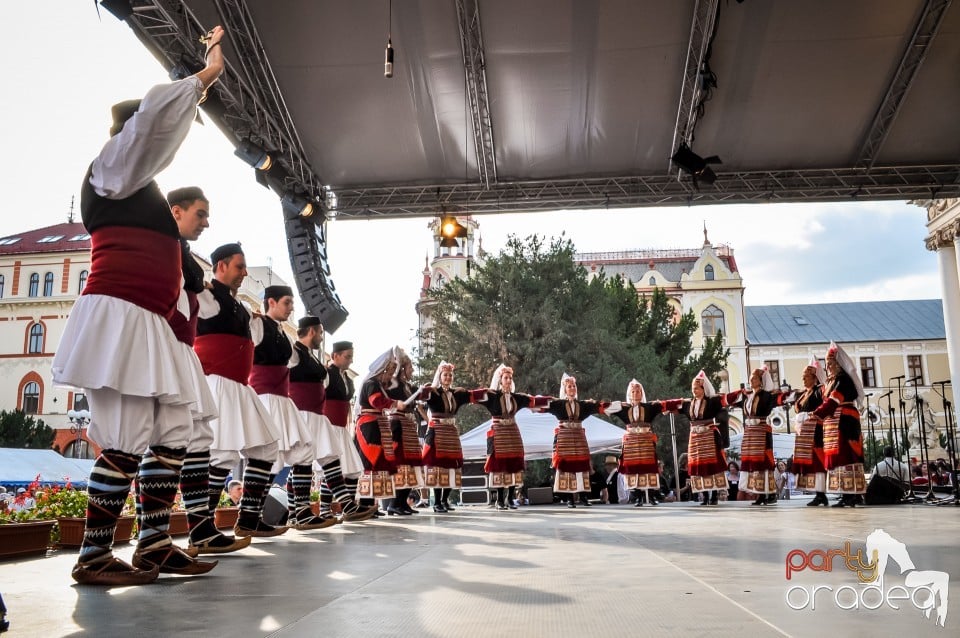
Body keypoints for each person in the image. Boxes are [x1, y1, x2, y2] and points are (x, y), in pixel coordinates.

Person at [52, 27, 226, 585]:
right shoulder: (111, 166)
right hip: (120, 315)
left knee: (173, 431)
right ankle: (94, 555)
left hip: (147, 323)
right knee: (125, 435)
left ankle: (152, 544)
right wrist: (204, 76)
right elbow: (152, 121)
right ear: (129, 134)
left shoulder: (135, 181)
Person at [167, 187, 249, 555]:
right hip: (203, 373)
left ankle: (200, 530)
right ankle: (161, 538)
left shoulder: (183, 256)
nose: (206, 222)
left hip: (201, 372)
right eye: (200, 214)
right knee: (169, 445)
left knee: (201, 447)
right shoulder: (207, 292)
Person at [195, 243, 286, 538]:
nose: (245, 272)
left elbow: (258, 342)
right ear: (221, 266)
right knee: (220, 453)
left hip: (239, 386)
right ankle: (203, 527)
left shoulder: (243, 309)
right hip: (217, 383)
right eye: (239, 266)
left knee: (266, 447)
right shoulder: (206, 297)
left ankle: (248, 517)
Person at [287, 316, 340, 527]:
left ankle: (297, 512)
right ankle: (300, 511)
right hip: (302, 413)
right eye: (319, 333)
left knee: (302, 462)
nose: (320, 337)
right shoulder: (295, 351)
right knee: (301, 461)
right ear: (311, 331)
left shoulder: (311, 355)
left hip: (314, 414)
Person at [475, 364, 548, 510]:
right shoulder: (493, 397)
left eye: (510, 378)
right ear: (500, 380)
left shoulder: (516, 397)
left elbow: (532, 401)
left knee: (514, 464)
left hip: (513, 432)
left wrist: (549, 401)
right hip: (498, 431)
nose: (508, 380)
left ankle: (509, 498)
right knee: (500, 465)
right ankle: (500, 500)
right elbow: (475, 396)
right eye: (505, 378)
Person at [318, 341, 376, 521]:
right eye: (347, 356)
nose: (351, 360)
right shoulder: (327, 374)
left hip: (342, 428)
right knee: (330, 469)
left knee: (352, 469)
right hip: (329, 426)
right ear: (335, 356)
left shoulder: (348, 379)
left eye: (351, 356)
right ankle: (324, 509)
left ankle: (349, 507)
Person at [542, 374, 618, 508]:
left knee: (582, 467)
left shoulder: (582, 405)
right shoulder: (559, 404)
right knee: (567, 468)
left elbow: (598, 407)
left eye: (574, 386)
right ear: (565, 389)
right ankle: (570, 498)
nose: (572, 388)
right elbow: (542, 406)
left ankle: (583, 496)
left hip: (578, 437)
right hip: (564, 437)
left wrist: (613, 406)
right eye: (569, 386)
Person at [667, 370, 741, 506]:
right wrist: (662, 405)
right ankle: (705, 496)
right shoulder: (689, 403)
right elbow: (673, 404)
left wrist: (741, 392)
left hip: (709, 437)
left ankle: (714, 496)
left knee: (712, 467)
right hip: (695, 438)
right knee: (699, 468)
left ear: (703, 388)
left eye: (697, 388)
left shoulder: (711, 401)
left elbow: (726, 399)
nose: (694, 390)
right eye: (693, 388)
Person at [809, 342, 867, 507]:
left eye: (831, 363)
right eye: (827, 364)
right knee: (839, 458)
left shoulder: (842, 380)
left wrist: (816, 414)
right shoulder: (831, 381)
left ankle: (851, 495)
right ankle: (847, 493)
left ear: (839, 364)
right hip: (834, 422)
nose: (828, 366)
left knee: (846, 457)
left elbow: (833, 401)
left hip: (845, 423)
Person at [421, 361, 483, 512]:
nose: (448, 377)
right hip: (437, 432)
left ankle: (444, 500)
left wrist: (489, 391)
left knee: (452, 466)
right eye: (445, 375)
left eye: (450, 375)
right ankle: (436, 503)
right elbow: (420, 395)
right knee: (437, 467)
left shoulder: (457, 393)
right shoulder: (433, 393)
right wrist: (429, 387)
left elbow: (473, 395)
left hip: (451, 432)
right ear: (440, 376)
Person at [353, 348, 402, 514]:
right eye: (389, 372)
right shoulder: (371, 384)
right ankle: (365, 504)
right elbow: (377, 402)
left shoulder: (378, 385)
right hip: (369, 426)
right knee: (370, 462)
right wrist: (395, 404)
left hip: (378, 424)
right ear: (383, 370)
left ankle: (371, 504)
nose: (390, 376)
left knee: (379, 464)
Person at [607, 380, 664, 507]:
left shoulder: (649, 407)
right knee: (633, 469)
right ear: (629, 393)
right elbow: (606, 407)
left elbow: (664, 406)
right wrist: (617, 404)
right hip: (631, 441)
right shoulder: (624, 408)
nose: (636, 393)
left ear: (642, 392)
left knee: (649, 468)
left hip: (645, 440)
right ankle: (638, 496)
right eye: (633, 391)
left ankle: (652, 495)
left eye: (638, 391)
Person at [384, 348, 425, 516]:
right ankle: (394, 503)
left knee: (411, 464)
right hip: (398, 425)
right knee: (401, 464)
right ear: (402, 369)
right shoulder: (394, 384)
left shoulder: (408, 386)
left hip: (408, 426)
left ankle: (402, 502)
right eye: (410, 368)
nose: (412, 371)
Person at [791, 358, 828, 506]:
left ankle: (821, 493)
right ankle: (818, 493)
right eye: (803, 377)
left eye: (806, 376)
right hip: (803, 432)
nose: (803, 379)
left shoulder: (819, 391)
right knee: (810, 462)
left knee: (817, 461)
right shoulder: (803, 394)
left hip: (815, 431)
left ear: (814, 377)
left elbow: (824, 405)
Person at [740, 367, 779, 506]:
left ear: (761, 381)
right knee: (755, 464)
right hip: (751, 432)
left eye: (755, 378)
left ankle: (771, 493)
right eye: (751, 378)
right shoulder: (749, 396)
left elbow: (768, 408)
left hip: (762, 431)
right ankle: (760, 494)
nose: (751, 380)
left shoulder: (765, 395)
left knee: (765, 462)